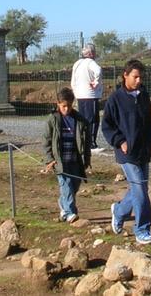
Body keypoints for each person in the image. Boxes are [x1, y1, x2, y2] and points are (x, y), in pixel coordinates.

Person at [102, 59, 151, 244]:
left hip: (144, 151)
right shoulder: (115, 99)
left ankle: (118, 211)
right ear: (125, 75)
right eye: (135, 76)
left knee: (139, 188)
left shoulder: (144, 96)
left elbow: (149, 122)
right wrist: (120, 141)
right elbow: (107, 125)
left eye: (141, 76)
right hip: (127, 153)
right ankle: (142, 229)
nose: (139, 80)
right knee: (140, 189)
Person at [42, 87, 92, 223]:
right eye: (64, 106)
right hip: (60, 161)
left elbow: (87, 142)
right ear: (57, 104)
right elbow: (46, 141)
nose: (66, 109)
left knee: (74, 185)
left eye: (69, 106)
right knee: (67, 185)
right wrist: (49, 159)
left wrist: (87, 159)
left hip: (75, 160)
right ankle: (70, 213)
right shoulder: (52, 120)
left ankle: (63, 205)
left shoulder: (80, 120)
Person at [71, 43, 104, 152]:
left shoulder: (77, 63)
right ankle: (91, 144)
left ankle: (83, 142)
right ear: (91, 53)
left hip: (80, 96)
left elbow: (73, 81)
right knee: (93, 119)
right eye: (94, 52)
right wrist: (95, 82)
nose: (95, 54)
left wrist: (75, 92)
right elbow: (98, 70)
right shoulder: (91, 62)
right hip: (90, 95)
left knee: (83, 119)